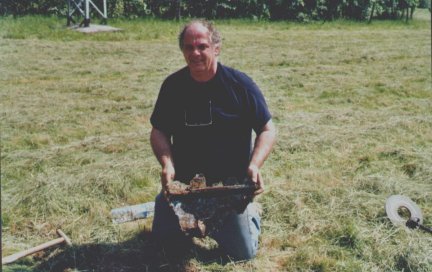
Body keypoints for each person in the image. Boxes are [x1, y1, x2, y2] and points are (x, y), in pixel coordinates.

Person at [149, 19, 276, 261]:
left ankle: (249, 213)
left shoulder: (240, 86)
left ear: (216, 48)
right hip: (186, 189)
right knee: (163, 247)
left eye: (202, 46)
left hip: (228, 190)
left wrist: (254, 165)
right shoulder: (173, 86)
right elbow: (159, 131)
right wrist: (167, 164)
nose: (195, 53)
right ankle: (172, 211)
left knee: (242, 254)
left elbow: (267, 129)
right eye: (188, 47)